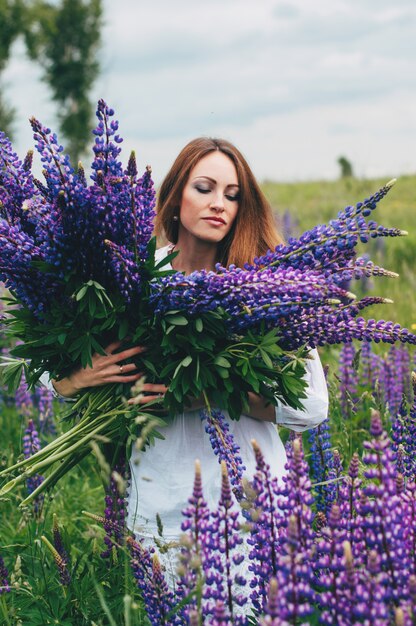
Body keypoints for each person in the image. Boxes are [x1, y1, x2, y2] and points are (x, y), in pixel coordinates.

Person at [49, 137, 328, 551]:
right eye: (204, 188)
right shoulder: (131, 273)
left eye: (232, 196)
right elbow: (46, 359)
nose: (219, 203)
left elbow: (312, 405)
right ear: (175, 197)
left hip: (255, 507)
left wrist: (210, 394)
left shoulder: (263, 284)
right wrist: (76, 379)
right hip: (161, 509)